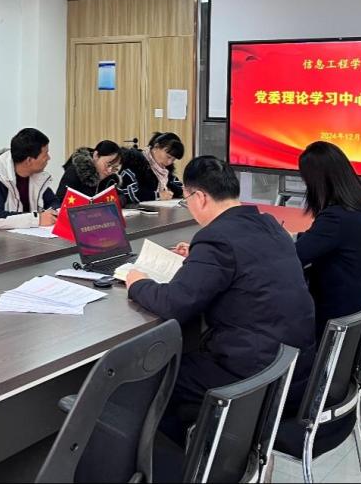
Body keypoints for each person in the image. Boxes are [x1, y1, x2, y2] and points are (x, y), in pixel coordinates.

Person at [124, 156, 315, 439]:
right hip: (292, 366)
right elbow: (247, 261)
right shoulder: (268, 224)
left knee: (151, 377)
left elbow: (173, 304)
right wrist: (199, 257)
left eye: (187, 199)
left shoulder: (217, 237)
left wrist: (137, 282)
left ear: (200, 197)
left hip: (252, 374)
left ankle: (166, 455)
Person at [295, 141, 361, 337]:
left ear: (317, 182)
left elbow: (295, 257)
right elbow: (326, 241)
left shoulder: (335, 217)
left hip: (348, 320)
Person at [0, 128, 60, 229]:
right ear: (29, 160)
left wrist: (55, 212)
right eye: (45, 154)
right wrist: (38, 219)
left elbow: (53, 202)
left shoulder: (37, 175)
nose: (49, 158)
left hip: (25, 234)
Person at [118, 132, 185, 203]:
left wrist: (182, 191)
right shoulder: (134, 162)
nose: (169, 162)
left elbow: (177, 185)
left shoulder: (163, 170)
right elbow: (126, 193)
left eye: (173, 159)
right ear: (156, 147)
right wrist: (158, 195)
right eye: (168, 157)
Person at [54, 140, 122, 202]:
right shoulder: (75, 171)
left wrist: (117, 201)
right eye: (108, 165)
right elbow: (60, 200)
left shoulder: (111, 178)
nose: (110, 170)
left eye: (114, 167)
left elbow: (121, 196)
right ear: (96, 156)